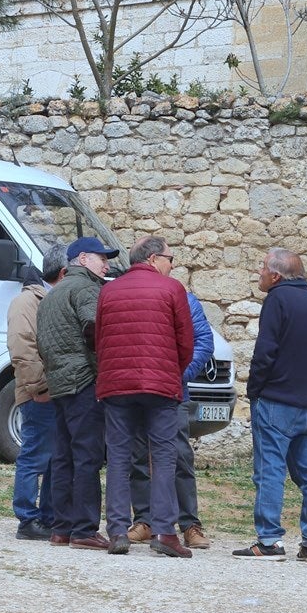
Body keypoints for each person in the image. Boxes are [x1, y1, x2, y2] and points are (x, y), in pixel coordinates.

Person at [96, 236, 193, 557]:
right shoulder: (171, 289)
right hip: (160, 385)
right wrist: (171, 370)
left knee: (119, 458)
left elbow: (101, 340)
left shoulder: (109, 290)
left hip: (117, 385)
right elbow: (186, 343)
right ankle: (165, 533)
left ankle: (117, 532)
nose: (172, 264)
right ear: (153, 258)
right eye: (170, 257)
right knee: (164, 456)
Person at [233, 248, 307, 562]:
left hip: (276, 401)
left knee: (270, 472)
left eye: (262, 269)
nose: (259, 274)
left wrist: (254, 390)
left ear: (276, 275)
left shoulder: (277, 300)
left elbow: (265, 352)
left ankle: (270, 540)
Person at [36, 236, 117, 551]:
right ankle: (84, 529)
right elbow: (95, 327)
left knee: (64, 456)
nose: (107, 266)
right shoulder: (87, 288)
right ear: (83, 259)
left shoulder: (52, 295)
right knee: (87, 456)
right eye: (102, 259)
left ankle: (62, 528)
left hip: (59, 383)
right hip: (84, 381)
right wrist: (103, 368)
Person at [126, 288, 215, 549]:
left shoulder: (185, 299)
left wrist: (179, 375)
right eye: (169, 258)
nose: (172, 264)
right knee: (139, 454)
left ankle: (189, 525)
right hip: (138, 388)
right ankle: (144, 521)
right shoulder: (134, 294)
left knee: (180, 455)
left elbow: (203, 341)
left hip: (174, 390)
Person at [6, 244, 67, 541]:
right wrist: (39, 387)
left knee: (53, 456)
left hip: (52, 391)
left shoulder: (46, 298)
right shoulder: (26, 302)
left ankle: (47, 517)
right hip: (38, 392)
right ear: (64, 271)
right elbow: (22, 348)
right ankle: (28, 519)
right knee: (34, 456)